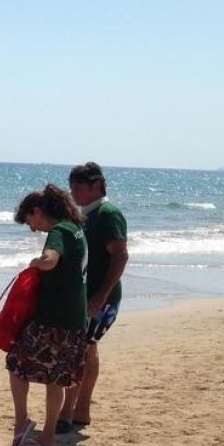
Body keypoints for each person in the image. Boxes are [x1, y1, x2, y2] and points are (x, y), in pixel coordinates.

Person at [6, 185, 87, 446]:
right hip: (74, 318)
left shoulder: (58, 232)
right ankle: (48, 436)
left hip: (51, 317)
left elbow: (50, 260)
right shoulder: (76, 229)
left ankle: (21, 424)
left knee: (16, 363)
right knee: (56, 378)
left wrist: (34, 263)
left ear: (38, 211)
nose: (32, 228)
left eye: (30, 221)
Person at [59, 162, 129, 430]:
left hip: (102, 297)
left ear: (96, 185)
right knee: (86, 347)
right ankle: (79, 410)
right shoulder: (85, 215)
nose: (73, 192)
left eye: (78, 187)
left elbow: (120, 256)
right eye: (71, 186)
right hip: (85, 295)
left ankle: (72, 410)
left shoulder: (108, 213)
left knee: (83, 347)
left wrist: (101, 296)